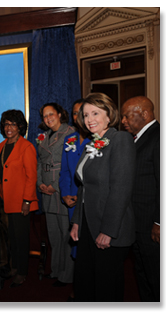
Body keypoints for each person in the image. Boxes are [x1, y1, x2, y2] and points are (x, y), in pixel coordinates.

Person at [70, 92, 136, 302]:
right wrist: (77, 222)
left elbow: (121, 188)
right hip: (89, 223)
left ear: (109, 115)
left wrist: (108, 230)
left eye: (95, 113)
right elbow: (84, 188)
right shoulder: (92, 143)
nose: (89, 119)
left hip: (109, 226)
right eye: (86, 114)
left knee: (106, 287)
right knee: (86, 281)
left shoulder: (120, 139)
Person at [121, 96, 160, 302]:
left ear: (144, 114)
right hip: (136, 222)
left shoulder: (159, 137)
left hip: (151, 224)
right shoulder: (135, 139)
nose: (123, 121)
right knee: (142, 272)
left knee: (156, 275)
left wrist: (159, 222)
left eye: (127, 116)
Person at [0, 109, 39, 287]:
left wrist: (27, 201)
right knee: (11, 237)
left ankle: (22, 271)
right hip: (6, 201)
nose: (9, 127)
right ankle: (14, 266)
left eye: (13, 124)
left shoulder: (26, 147)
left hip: (22, 202)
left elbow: (31, 176)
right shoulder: (1, 146)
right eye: (6, 124)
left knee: (21, 238)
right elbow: (0, 171)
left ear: (20, 126)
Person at [37, 103, 74, 287]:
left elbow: (71, 165)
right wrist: (40, 183)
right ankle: (56, 270)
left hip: (62, 190)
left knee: (66, 235)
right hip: (47, 192)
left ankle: (67, 275)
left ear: (60, 114)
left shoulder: (70, 132)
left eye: (51, 114)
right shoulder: (44, 136)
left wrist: (54, 186)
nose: (48, 118)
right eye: (44, 116)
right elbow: (39, 163)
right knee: (54, 235)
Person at [59, 99, 90, 259]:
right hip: (71, 199)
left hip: (89, 200)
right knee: (76, 244)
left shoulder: (98, 140)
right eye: (75, 113)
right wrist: (64, 194)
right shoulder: (69, 139)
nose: (78, 116)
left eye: (82, 112)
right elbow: (64, 171)